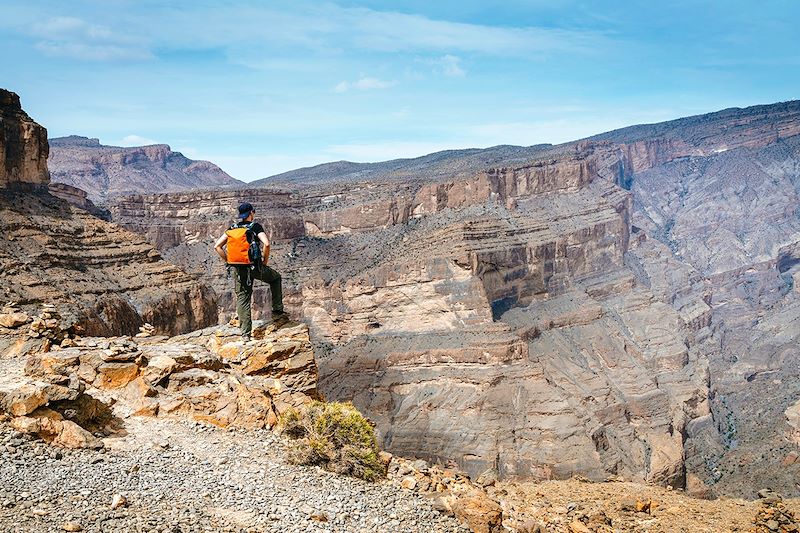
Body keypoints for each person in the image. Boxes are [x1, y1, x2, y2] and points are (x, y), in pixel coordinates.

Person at [214, 202, 286, 341]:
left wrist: (228, 261)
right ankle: (277, 311)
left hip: (238, 268)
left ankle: (245, 335)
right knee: (276, 278)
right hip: (255, 267)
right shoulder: (255, 227)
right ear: (251, 213)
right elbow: (266, 243)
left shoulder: (232, 228)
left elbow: (217, 246)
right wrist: (264, 262)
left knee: (243, 298)